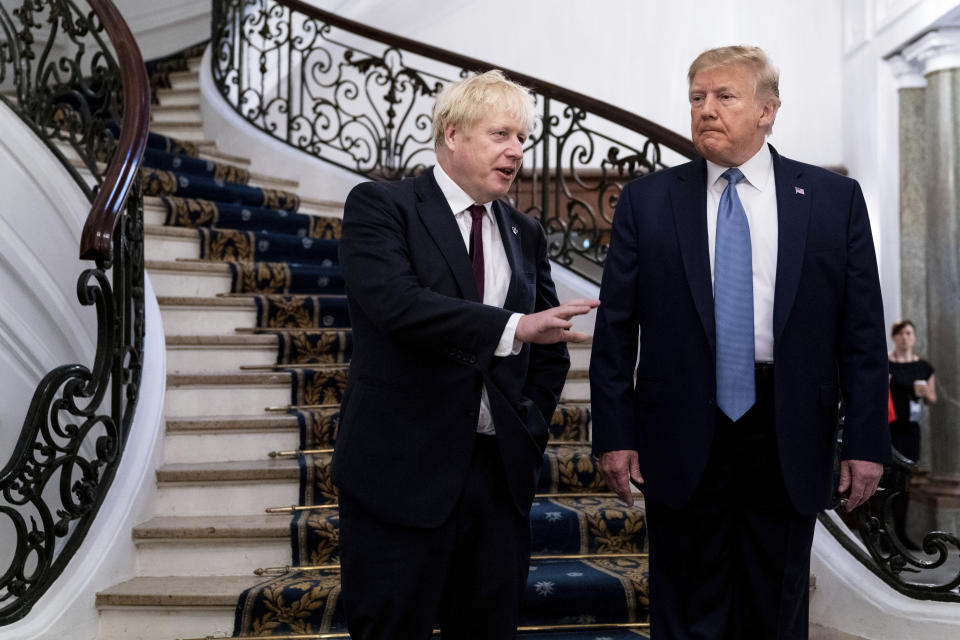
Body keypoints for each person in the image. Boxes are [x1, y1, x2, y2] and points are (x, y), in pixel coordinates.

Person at [589, 46, 890, 639]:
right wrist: (615, 434)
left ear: (768, 110)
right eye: (697, 97)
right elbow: (615, 331)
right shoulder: (648, 202)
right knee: (684, 612)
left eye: (724, 96)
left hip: (786, 427)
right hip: (680, 430)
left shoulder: (832, 200)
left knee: (774, 613)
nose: (706, 110)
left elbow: (861, 332)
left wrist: (865, 441)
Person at [331, 69, 599, 640]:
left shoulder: (526, 232)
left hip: (495, 479)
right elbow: (398, 305)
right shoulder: (382, 206)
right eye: (502, 134)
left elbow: (547, 347)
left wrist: (527, 426)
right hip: (399, 474)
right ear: (452, 135)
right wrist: (513, 326)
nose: (517, 151)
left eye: (523, 138)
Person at [888, 319, 936, 548]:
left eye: (910, 333)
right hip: (887, 427)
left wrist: (925, 392)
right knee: (885, 480)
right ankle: (885, 533)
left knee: (905, 481)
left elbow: (932, 398)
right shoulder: (885, 364)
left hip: (909, 430)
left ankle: (900, 533)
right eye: (902, 333)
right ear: (894, 337)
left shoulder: (923, 367)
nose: (906, 337)